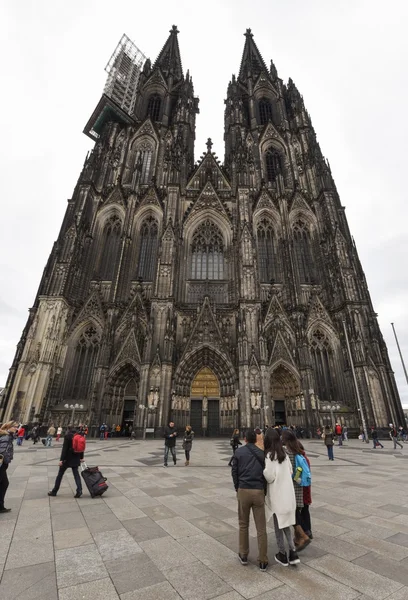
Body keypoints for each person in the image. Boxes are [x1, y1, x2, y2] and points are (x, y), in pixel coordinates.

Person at [231, 429, 268, 571]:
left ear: (245, 439)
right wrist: (263, 489)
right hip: (258, 491)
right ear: (255, 439)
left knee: (243, 524)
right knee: (261, 528)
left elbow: (234, 472)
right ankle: (263, 560)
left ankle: (243, 554)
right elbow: (266, 473)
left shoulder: (239, 452)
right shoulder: (262, 454)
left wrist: (237, 487)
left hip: (243, 490)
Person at [263, 428, 299, 566]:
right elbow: (290, 471)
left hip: (277, 496)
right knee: (286, 525)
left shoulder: (270, 456)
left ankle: (282, 554)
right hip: (288, 495)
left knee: (278, 526)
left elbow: (269, 476)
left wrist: (264, 473)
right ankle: (293, 552)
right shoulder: (284, 454)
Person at [281, 430, 310, 551]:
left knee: (291, 512)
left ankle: (303, 535)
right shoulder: (299, 451)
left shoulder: (286, 452)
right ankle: (300, 537)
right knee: (295, 511)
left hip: (290, 486)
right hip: (299, 487)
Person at [48, 426, 84, 498]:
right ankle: (79, 490)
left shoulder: (67, 436)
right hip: (76, 457)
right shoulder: (79, 436)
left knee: (60, 475)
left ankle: (54, 491)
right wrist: (81, 457)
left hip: (67, 458)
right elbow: (81, 448)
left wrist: (61, 460)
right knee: (76, 475)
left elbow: (64, 449)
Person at [0, 421, 18, 513]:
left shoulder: (8, 436)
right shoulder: (6, 437)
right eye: (14, 427)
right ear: (8, 427)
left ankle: (0, 506)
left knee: (4, 484)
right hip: (1, 464)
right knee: (3, 484)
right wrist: (6, 460)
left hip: (3, 464)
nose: (16, 428)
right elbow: (2, 451)